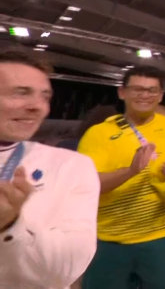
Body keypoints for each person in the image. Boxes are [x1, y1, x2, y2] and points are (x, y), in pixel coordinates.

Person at [78, 66, 165, 289]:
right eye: (137, 89)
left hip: (161, 238)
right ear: (122, 92)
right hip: (109, 239)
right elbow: (87, 184)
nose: (145, 95)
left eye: (151, 90)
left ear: (161, 95)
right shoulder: (98, 133)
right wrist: (130, 171)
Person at [0, 48, 100, 288]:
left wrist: (11, 225)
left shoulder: (71, 166)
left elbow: (68, 268)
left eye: (45, 96)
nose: (38, 106)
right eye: (21, 93)